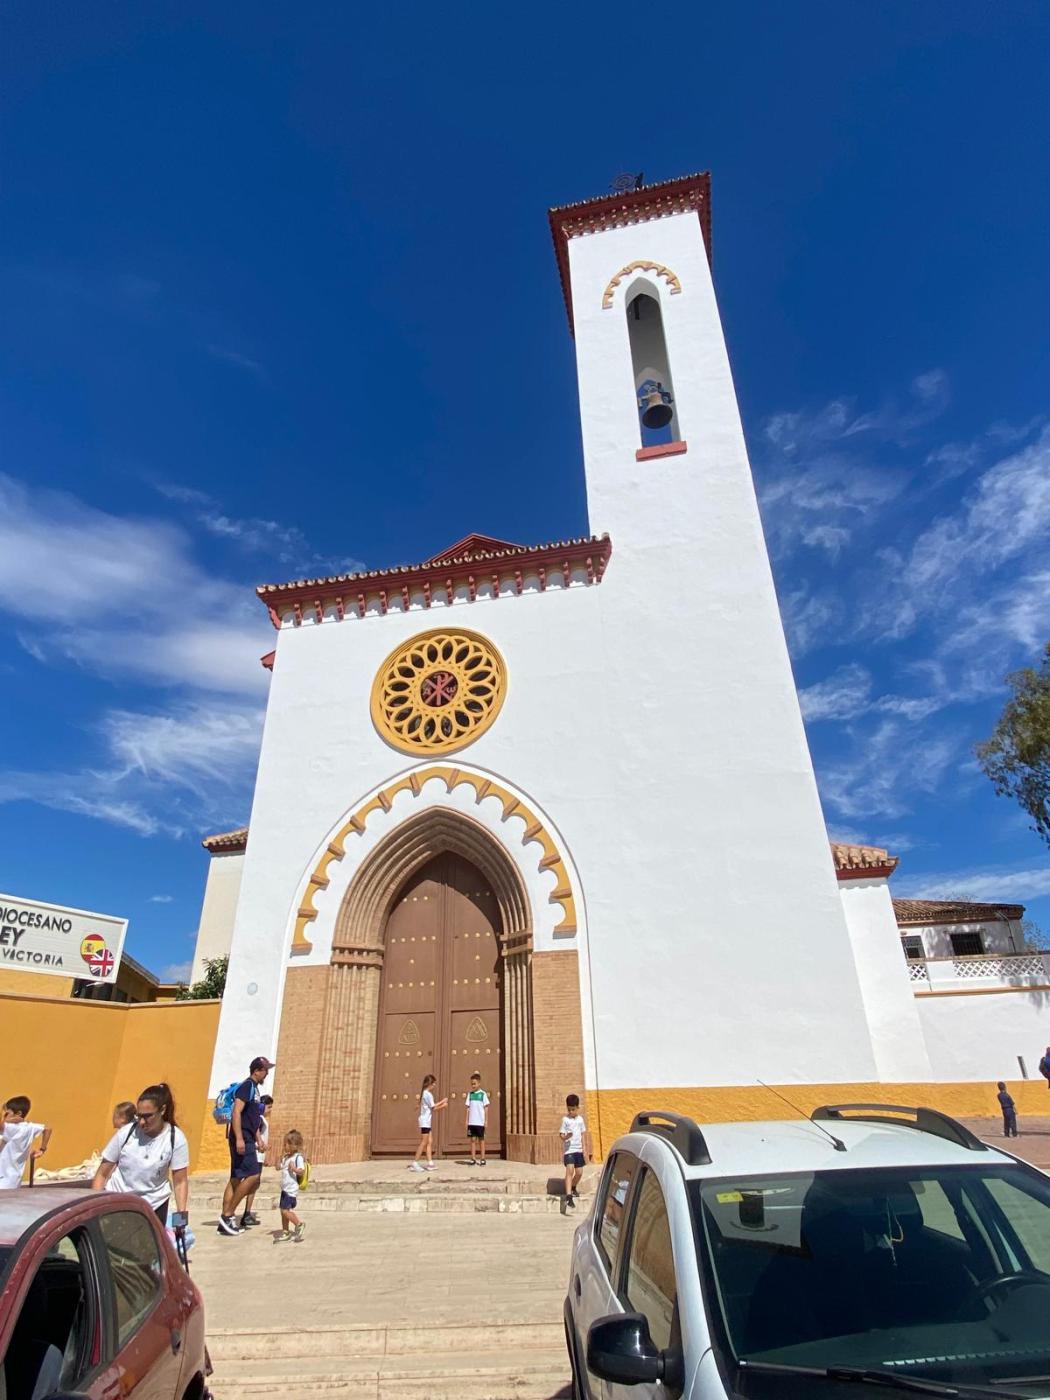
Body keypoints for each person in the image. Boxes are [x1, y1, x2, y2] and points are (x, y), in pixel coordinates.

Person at [91, 1083, 189, 1226]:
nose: (142, 1122)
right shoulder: (126, 1133)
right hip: (117, 1204)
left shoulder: (175, 1138)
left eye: (147, 1116)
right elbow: (102, 1174)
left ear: (162, 1110)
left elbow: (180, 1182)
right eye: (139, 1116)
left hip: (154, 1207)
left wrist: (180, 1222)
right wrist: (94, 1211)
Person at [219, 1056, 273, 1236]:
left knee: (236, 1178)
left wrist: (258, 1139)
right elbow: (237, 1112)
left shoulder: (254, 1089)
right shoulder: (247, 1086)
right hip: (242, 1137)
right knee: (253, 1175)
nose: (267, 1073)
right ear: (256, 1071)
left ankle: (225, 1221)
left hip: (248, 1136)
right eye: (265, 1070)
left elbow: (252, 1117)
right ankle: (228, 1215)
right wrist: (240, 1139)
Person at [0, 1096, 51, 1189]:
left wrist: (4, 1118)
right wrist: (42, 1150)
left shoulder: (12, 1128)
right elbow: (47, 1129)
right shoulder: (30, 1127)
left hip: (3, 1181)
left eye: (7, 1113)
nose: (5, 1115)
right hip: (14, 1180)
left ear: (18, 1114)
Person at [240, 1094, 273, 1229]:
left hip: (259, 1156)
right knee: (251, 1184)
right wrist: (260, 1146)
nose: (270, 1110)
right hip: (255, 1156)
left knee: (254, 1185)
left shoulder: (260, 1119)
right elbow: (254, 1137)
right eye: (269, 1107)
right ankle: (246, 1213)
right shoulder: (258, 1120)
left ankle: (246, 1213)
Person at [275, 1129, 307, 1243]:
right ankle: (285, 1232)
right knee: (283, 1211)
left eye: (286, 1144)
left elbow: (301, 1171)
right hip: (284, 1189)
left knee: (285, 1211)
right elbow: (278, 1168)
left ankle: (299, 1224)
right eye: (284, 1144)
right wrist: (278, 1160)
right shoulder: (286, 1157)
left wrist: (294, 1169)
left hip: (291, 1190)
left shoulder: (298, 1158)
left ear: (294, 1145)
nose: (284, 1146)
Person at [411, 1075, 447, 1171]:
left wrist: (441, 1103)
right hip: (425, 1122)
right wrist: (443, 1104)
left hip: (426, 1121)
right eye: (433, 1083)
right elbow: (433, 1107)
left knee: (429, 1141)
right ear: (429, 1084)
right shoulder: (428, 1094)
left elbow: (432, 1107)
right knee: (424, 1142)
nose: (434, 1085)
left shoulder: (424, 1093)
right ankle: (415, 1163)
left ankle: (430, 1163)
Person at [560, 1094, 587, 1210]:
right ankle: (568, 1196)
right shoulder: (565, 1120)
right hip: (569, 1151)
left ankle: (573, 1187)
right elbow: (561, 1136)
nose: (571, 1112)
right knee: (570, 1170)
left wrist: (584, 1148)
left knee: (579, 1172)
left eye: (573, 1109)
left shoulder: (580, 1120)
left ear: (577, 1108)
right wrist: (567, 1136)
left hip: (578, 1150)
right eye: (569, 1109)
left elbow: (583, 1134)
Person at [465, 1071, 490, 1166]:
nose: (473, 1085)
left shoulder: (483, 1094)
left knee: (481, 1140)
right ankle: (473, 1158)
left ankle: (483, 1158)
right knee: (472, 1140)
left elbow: (486, 1108)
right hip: (472, 1122)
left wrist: (486, 1120)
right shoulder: (470, 1094)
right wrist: (466, 1120)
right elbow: (468, 1108)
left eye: (474, 1083)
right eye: (472, 1084)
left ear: (479, 1083)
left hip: (480, 1122)